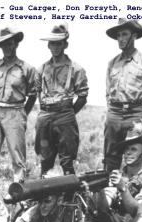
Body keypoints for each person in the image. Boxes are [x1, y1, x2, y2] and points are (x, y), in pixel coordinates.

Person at [103, 19, 142, 173]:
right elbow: (108, 91)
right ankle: (109, 191)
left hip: (136, 113)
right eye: (118, 35)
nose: (121, 39)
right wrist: (111, 113)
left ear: (134, 36)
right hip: (115, 114)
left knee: (137, 155)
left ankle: (135, 190)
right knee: (111, 156)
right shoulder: (112, 63)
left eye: (125, 34)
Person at [0, 27, 37, 187]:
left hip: (15, 112)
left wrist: (22, 113)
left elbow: (33, 94)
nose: (7, 47)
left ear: (16, 44)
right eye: (4, 45)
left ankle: (18, 194)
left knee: (18, 158)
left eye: (10, 43)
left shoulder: (26, 68)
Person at [35, 24, 89, 177]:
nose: (55, 47)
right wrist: (47, 110)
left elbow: (82, 97)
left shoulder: (76, 69)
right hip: (45, 117)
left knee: (67, 161)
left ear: (65, 44)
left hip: (65, 116)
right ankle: (45, 198)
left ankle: (70, 197)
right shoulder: (41, 69)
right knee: (45, 160)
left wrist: (68, 112)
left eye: (59, 43)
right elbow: (38, 93)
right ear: (48, 45)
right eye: (52, 43)